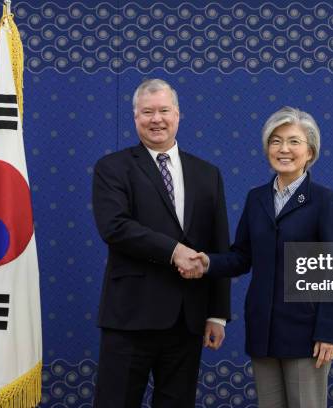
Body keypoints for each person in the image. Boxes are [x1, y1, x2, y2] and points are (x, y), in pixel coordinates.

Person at [182, 107, 333, 408]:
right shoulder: (256, 198)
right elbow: (242, 256)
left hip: (306, 334)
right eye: (275, 141)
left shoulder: (324, 201)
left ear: (310, 152)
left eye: (294, 141)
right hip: (262, 329)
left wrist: (328, 332)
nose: (284, 149)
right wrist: (208, 263)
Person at [91, 78, 231, 407]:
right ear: (135, 117)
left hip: (188, 319)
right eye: (148, 112)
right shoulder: (112, 168)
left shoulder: (207, 173)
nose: (157, 119)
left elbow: (219, 243)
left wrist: (218, 313)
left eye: (164, 110)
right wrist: (174, 251)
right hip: (130, 316)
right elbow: (115, 227)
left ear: (178, 115)